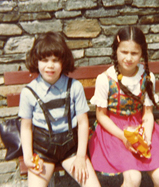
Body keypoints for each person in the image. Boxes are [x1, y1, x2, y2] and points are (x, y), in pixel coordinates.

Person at [89, 26, 159, 187]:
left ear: (142, 53)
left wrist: (146, 136)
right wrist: (124, 136)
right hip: (114, 131)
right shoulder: (105, 79)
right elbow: (101, 115)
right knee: (133, 178)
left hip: (141, 126)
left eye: (134, 53)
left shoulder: (147, 77)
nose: (129, 58)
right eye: (124, 52)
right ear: (116, 51)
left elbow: (147, 113)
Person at [18, 31, 101, 187]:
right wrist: (28, 156)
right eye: (45, 60)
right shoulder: (28, 92)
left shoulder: (74, 87)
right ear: (36, 61)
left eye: (55, 60)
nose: (50, 66)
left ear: (64, 61)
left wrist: (81, 156)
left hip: (71, 150)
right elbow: (26, 127)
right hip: (43, 152)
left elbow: (83, 123)